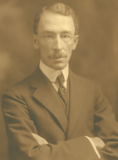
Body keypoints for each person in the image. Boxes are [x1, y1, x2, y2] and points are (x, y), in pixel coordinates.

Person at [2, 2, 118, 160]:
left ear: (75, 42)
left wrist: (47, 150)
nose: (58, 46)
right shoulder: (15, 97)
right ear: (36, 41)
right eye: (49, 36)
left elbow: (115, 146)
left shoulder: (92, 91)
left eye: (65, 36)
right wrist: (90, 143)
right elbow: (31, 155)